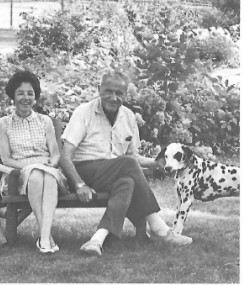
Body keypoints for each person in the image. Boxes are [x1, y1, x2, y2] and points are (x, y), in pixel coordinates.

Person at [60, 70, 193, 256]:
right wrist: (79, 184)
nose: (114, 97)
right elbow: (65, 156)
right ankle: (159, 228)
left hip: (114, 172)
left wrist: (158, 163)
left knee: (127, 182)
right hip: (84, 171)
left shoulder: (128, 116)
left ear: (125, 94)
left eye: (119, 93)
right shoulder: (84, 112)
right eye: (108, 91)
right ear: (99, 89)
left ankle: (96, 239)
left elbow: (134, 158)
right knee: (127, 165)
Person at [0, 70, 68, 254]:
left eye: (30, 93)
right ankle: (46, 237)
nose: (25, 98)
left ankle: (44, 238)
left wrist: (52, 163)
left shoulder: (45, 121)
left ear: (35, 96)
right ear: (13, 96)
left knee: (47, 176)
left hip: (48, 172)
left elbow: (55, 154)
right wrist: (34, 165)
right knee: (36, 174)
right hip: (17, 175)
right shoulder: (4, 123)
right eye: (20, 93)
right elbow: (6, 159)